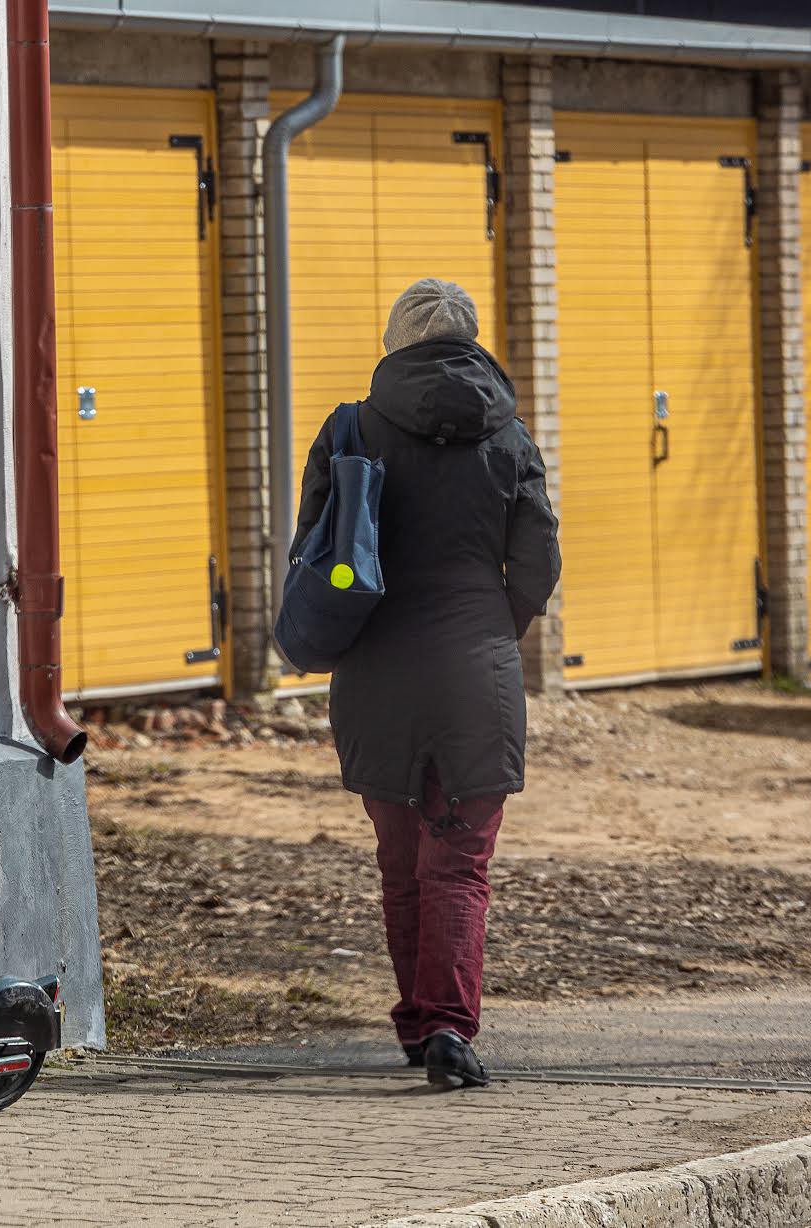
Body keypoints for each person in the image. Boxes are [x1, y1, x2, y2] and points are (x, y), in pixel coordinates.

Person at [292, 277, 560, 1090]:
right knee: (460, 861)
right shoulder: (509, 436)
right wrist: (493, 624)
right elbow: (540, 559)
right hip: (476, 668)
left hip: (377, 667)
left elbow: (313, 543)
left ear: (394, 339)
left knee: (400, 858)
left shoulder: (350, 428)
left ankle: (416, 1023)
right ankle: (449, 1026)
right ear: (472, 341)